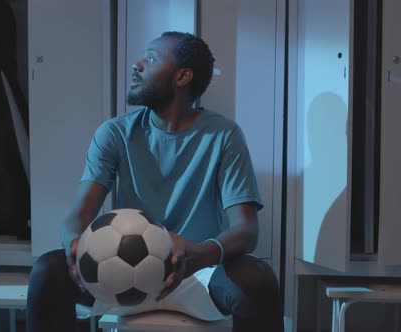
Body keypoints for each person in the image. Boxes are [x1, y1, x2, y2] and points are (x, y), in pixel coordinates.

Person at [26, 31, 283, 332]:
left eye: (150, 58)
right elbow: (79, 215)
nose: (137, 65)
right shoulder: (115, 133)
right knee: (48, 271)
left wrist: (200, 253)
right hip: (119, 271)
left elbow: (246, 230)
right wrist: (73, 243)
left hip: (196, 275)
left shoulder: (224, 135)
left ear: (182, 76)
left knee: (258, 278)